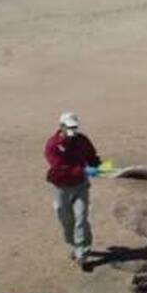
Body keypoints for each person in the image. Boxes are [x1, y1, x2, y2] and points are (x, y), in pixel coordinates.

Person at [44, 112, 103, 270]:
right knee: (66, 219)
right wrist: (83, 170)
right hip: (61, 187)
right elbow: (59, 168)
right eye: (69, 127)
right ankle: (73, 245)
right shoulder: (53, 145)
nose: (72, 130)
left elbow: (91, 156)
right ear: (61, 126)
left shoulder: (82, 140)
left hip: (81, 186)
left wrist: (98, 166)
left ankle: (82, 252)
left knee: (81, 218)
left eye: (75, 127)